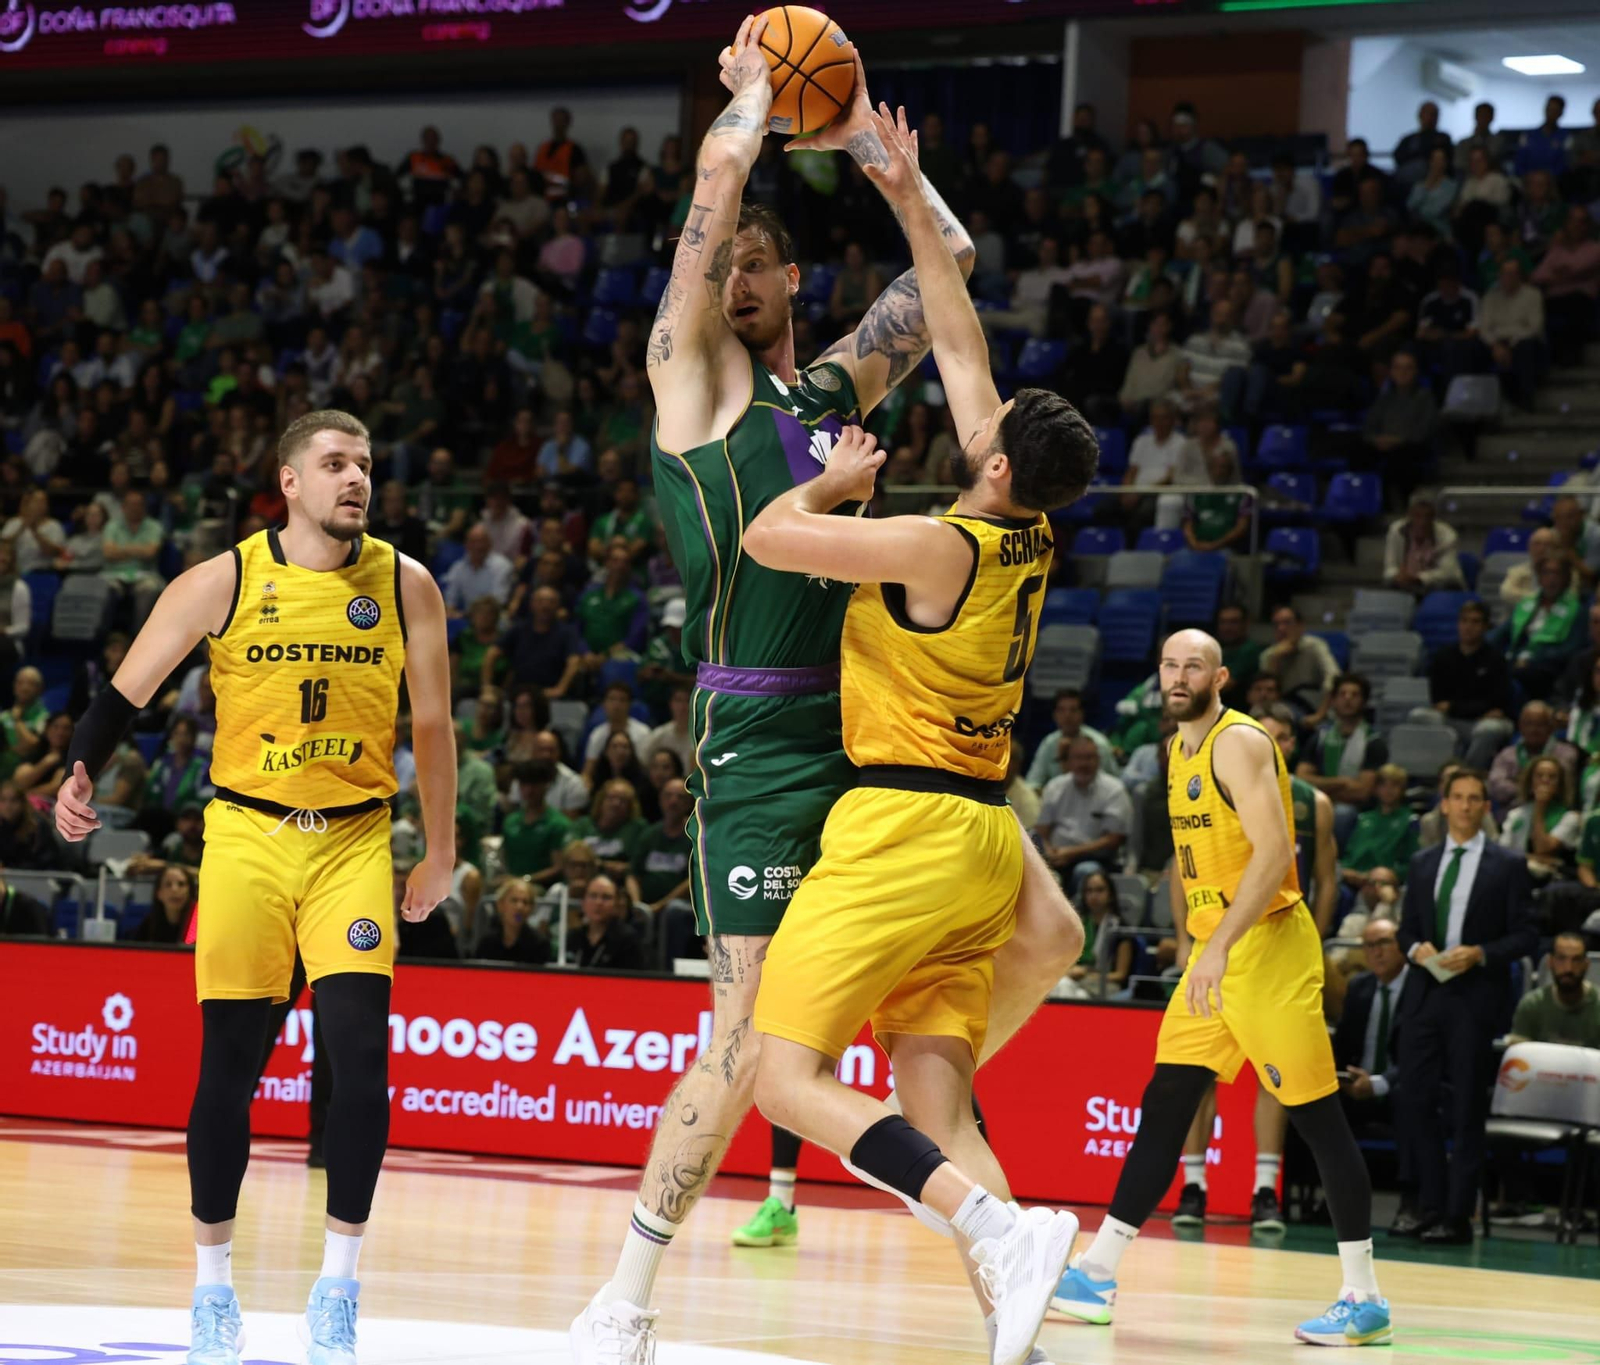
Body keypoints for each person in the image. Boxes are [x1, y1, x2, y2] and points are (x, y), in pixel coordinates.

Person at [570, 39, 1080, 1361]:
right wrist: (757, 92)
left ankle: (1008, 1296)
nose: (730, 276)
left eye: (755, 261)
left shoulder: (832, 387)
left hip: (879, 745)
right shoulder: (688, 384)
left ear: (792, 279)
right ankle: (626, 1299)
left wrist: (867, 144)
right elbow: (714, 182)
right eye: (721, 261)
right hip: (758, 734)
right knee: (743, 1040)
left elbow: (947, 270)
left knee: (1024, 955)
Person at [740, 100, 1097, 1365]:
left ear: (995, 464)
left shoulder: (937, 545)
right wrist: (901, 192)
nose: (973, 415)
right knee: (936, 1107)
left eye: (988, 426)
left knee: (783, 1080)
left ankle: (992, 1224)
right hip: (983, 840)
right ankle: (1019, 1331)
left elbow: (767, 540)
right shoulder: (1028, 529)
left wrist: (833, 487)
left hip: (901, 829)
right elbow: (955, 339)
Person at [52, 409, 457, 1365]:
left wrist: (440, 849)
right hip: (246, 838)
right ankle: (212, 1291)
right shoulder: (222, 580)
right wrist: (78, 774)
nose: (356, 478)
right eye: (335, 463)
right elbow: (125, 691)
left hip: (353, 841)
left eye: (365, 464)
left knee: (360, 1059)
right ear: (289, 481)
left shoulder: (407, 582)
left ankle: (337, 1291)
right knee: (229, 1070)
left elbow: (433, 725)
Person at [1054, 629, 1392, 1348]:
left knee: (1317, 1117)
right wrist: (1200, 943)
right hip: (1217, 949)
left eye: (1194, 666)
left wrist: (1219, 947)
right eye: (1170, 665)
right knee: (1166, 1102)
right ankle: (1097, 1274)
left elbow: (1274, 855)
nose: (1179, 676)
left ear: (1220, 677)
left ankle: (1364, 1297)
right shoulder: (1175, 751)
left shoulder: (1236, 743)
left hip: (1265, 948)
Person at [1394, 768, 1536, 1244]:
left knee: (1467, 1107)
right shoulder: (1422, 862)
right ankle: (1430, 1205)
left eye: (1475, 798)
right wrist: (1415, 949)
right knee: (1415, 1099)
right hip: (1425, 991)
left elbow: (1526, 935)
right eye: (1458, 797)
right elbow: (1406, 929)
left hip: (1474, 996)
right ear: (1445, 803)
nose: (1466, 805)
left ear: (1486, 807)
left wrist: (1480, 953)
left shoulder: (1507, 864)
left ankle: (1457, 1217)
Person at [1261, 704, 1339, 935]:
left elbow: (1327, 882)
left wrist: (1316, 938)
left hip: (1289, 929)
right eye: (1265, 736)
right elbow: (1183, 867)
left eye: (1282, 737)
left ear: (1292, 744)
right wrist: (1185, 939)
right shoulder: (1221, 793)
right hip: (1232, 932)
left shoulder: (1315, 803)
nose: (1273, 744)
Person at [1297, 674, 1388, 847]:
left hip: (1356, 810)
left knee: (1342, 813)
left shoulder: (1374, 742)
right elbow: (1301, 779)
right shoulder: (1320, 737)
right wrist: (1343, 782)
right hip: (1320, 802)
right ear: (1333, 700)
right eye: (1342, 694)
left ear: (1364, 701)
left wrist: (1321, 786)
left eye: (1355, 695)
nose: (1348, 699)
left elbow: (1362, 792)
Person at [1036, 738, 1133, 890]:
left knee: (1085, 871)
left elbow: (1114, 839)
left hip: (1097, 860)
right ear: (1069, 761)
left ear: (1098, 760)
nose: (1083, 764)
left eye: (1089, 758)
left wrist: (1071, 853)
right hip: (1057, 858)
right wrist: (1049, 852)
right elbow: (1042, 831)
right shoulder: (1055, 787)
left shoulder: (1114, 790)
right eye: (1078, 758)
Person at [1429, 600, 1515, 769]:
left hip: (1483, 723)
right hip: (1454, 720)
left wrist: (1453, 706)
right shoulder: (1442, 656)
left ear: (1486, 627)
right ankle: (1438, 773)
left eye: (1475, 622)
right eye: (1464, 621)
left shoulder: (1496, 659)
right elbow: (1437, 701)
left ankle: (1467, 773)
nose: (1468, 627)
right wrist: (1475, 709)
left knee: (1489, 729)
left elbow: (1498, 704)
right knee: (1420, 716)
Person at [1509, 931, 1600, 1047]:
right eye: (1561, 958)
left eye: (1576, 960)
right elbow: (1518, 1055)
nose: (1568, 968)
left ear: (1586, 964)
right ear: (1550, 962)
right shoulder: (1532, 1005)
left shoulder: (1597, 1004)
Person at [1498, 755, 1580, 881]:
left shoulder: (1570, 818)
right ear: (1530, 782)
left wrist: (1540, 807)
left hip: (1553, 882)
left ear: (1560, 784)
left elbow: (1542, 848)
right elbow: (1502, 852)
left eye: (1552, 777)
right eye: (1539, 775)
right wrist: (1532, 858)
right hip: (1516, 875)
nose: (1545, 780)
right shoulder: (1516, 815)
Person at [1024, 688, 1119, 787]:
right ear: (1054, 715)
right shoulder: (1049, 743)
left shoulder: (1098, 744)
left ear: (1082, 714)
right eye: (1061, 710)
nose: (1067, 715)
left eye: (1073, 710)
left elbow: (1112, 783)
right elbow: (1033, 782)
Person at [1259, 605, 1339, 720]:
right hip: (1282, 707)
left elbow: (1334, 677)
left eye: (1287, 623)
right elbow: (1265, 692)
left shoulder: (1315, 646)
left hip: (1315, 705)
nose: (1281, 628)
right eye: (1276, 625)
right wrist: (1275, 660)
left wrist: (1320, 715)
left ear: (1300, 626)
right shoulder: (1268, 655)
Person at [571, 873, 644, 971]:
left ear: (616, 904)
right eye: (593, 896)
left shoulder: (628, 940)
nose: (598, 903)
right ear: (583, 902)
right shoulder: (574, 937)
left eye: (606, 897)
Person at [472, 876, 551, 965]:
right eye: (514, 900)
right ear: (500, 905)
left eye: (525, 902)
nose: (520, 907)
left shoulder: (539, 944)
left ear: (531, 909)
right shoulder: (487, 942)